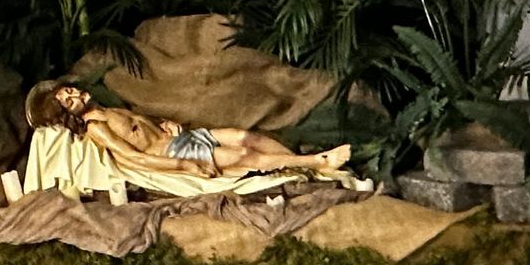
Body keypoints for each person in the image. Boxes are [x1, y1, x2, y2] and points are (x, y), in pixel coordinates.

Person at [25, 81, 352, 181]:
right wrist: (185, 165)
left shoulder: (107, 109)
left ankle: (303, 166)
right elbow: (136, 158)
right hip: (174, 152)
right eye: (68, 101)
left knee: (244, 136)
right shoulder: (97, 128)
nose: (74, 95)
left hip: (178, 137)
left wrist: (164, 124)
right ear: (68, 115)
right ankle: (316, 162)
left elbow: (141, 124)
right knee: (243, 155)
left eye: (69, 91)